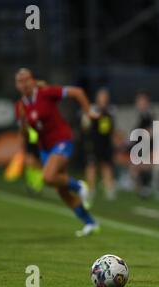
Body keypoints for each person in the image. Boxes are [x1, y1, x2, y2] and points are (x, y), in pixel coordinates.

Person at [14, 68, 99, 237]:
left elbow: (77, 92)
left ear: (33, 80)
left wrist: (88, 111)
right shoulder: (20, 107)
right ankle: (91, 223)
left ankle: (80, 186)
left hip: (62, 140)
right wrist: (23, 126)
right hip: (45, 148)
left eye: (26, 80)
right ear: (17, 85)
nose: (24, 84)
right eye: (20, 81)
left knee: (47, 177)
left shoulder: (46, 92)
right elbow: (25, 134)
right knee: (61, 190)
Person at [82, 88, 116, 202]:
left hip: (105, 143)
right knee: (91, 165)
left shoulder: (110, 111)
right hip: (93, 142)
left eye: (105, 97)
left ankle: (109, 190)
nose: (103, 99)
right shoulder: (92, 110)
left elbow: (111, 129)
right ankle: (91, 189)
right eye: (101, 96)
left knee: (106, 166)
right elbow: (85, 125)